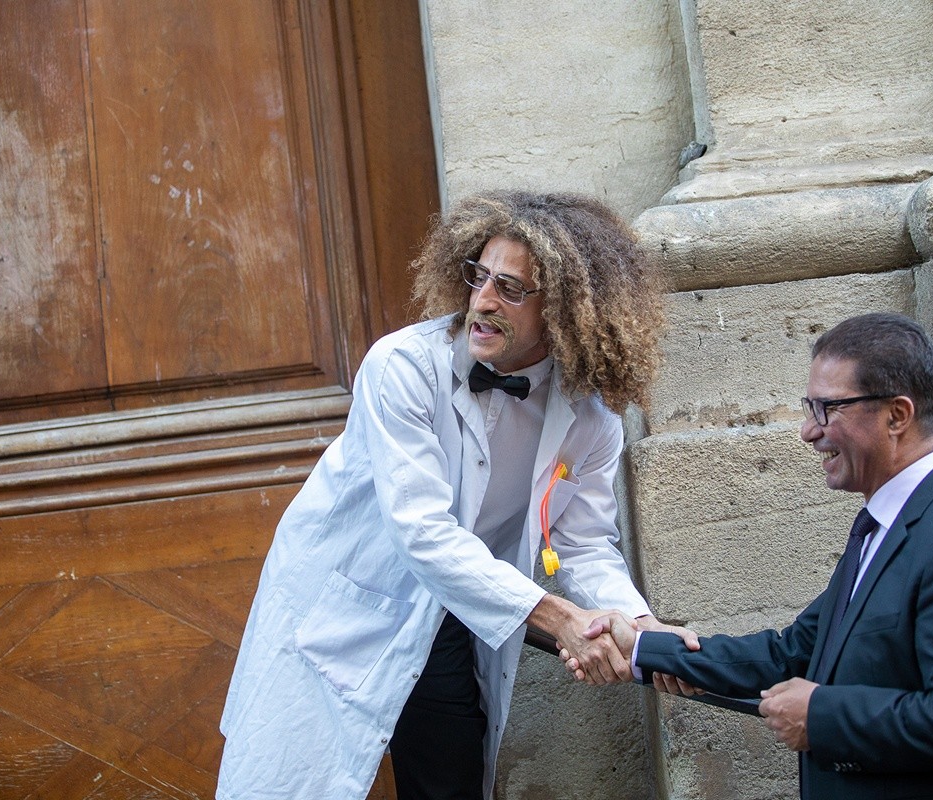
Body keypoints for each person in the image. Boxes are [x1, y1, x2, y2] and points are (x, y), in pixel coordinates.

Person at [216, 190, 695, 800]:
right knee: (291, 781)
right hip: (346, 602)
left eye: (512, 289)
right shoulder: (402, 366)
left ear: (568, 311)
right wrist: (558, 617)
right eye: (480, 277)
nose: (484, 301)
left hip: (449, 616)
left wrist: (640, 630)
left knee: (451, 782)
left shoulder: (591, 420)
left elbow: (583, 545)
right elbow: (422, 531)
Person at [566, 312, 933, 799]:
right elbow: (792, 652)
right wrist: (643, 647)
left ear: (898, 415)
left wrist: (820, 717)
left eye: (826, 409)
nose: (807, 431)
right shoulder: (882, 526)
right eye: (808, 408)